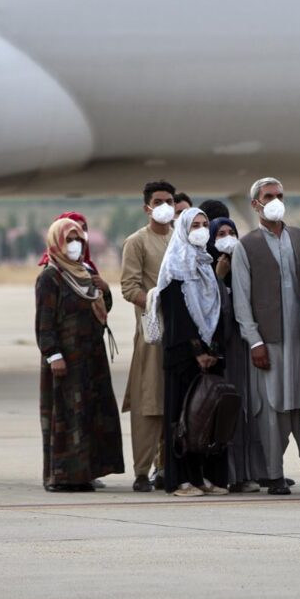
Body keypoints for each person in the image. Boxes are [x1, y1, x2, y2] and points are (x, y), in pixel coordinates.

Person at [231, 176, 300, 494]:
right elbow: (241, 300)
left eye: (279, 195)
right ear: (255, 203)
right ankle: (271, 475)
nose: (274, 200)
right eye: (268, 195)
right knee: (270, 410)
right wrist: (254, 340)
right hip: (268, 344)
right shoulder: (246, 246)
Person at [35, 218, 125, 491]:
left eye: (78, 239)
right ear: (56, 242)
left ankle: (86, 472)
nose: (75, 245)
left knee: (91, 413)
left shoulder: (85, 271)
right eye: (69, 239)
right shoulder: (50, 277)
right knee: (67, 415)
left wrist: (105, 289)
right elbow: (44, 322)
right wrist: (53, 355)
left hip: (91, 357)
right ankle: (62, 476)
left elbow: (100, 309)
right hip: (67, 358)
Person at [157, 208, 230, 497]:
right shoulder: (175, 265)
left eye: (204, 225)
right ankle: (180, 479)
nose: (200, 230)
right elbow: (177, 314)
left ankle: (202, 476)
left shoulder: (205, 263)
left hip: (208, 353)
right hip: (183, 354)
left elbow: (213, 311)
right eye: (194, 226)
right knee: (182, 418)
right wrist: (196, 349)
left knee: (205, 416)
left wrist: (213, 349)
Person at [120, 180, 177, 492]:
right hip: (152, 335)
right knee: (150, 402)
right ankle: (142, 471)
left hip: (181, 335)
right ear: (147, 207)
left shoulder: (179, 239)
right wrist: (159, 304)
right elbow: (129, 288)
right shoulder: (137, 242)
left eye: (169, 200)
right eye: (159, 201)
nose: (165, 205)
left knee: (174, 402)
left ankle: (167, 466)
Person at [208, 216, 265, 493]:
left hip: (243, 350)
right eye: (221, 233)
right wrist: (217, 278)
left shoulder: (243, 268)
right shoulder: (205, 269)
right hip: (220, 354)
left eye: (232, 232)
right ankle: (224, 473)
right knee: (223, 412)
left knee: (246, 412)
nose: (227, 238)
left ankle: (246, 473)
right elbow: (211, 310)